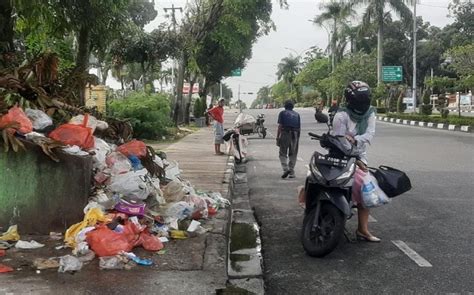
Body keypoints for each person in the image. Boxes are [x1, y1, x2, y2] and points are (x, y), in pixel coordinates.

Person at [332, 81, 379, 242]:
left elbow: (369, 134)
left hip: (359, 156)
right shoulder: (341, 115)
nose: (363, 102)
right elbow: (339, 140)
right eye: (360, 98)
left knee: (366, 187)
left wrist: (354, 140)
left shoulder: (370, 114)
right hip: (338, 155)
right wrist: (349, 143)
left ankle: (363, 229)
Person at [276, 100, 301, 179]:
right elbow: (299, 128)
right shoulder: (297, 114)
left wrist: (277, 137)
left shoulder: (282, 113)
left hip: (285, 133)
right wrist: (297, 138)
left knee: (282, 153)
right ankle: (291, 171)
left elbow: (280, 126)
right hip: (295, 134)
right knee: (293, 153)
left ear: (285, 106)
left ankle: (285, 169)